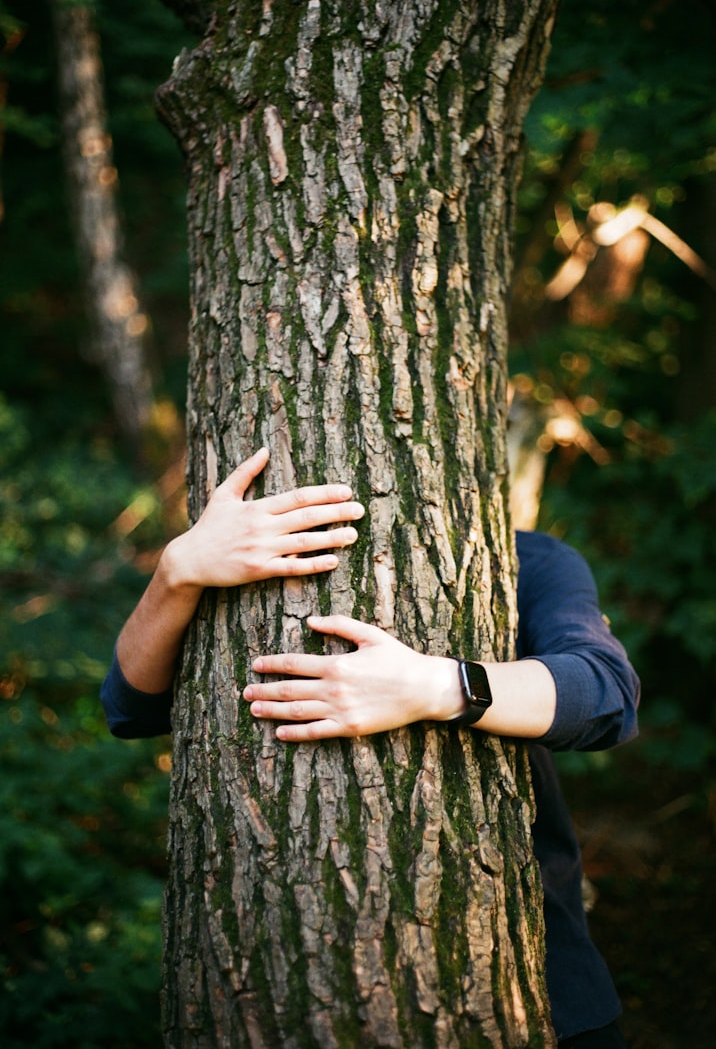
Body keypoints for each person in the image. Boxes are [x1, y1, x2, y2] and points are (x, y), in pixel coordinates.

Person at [101, 449, 639, 1048]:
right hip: (269, 995)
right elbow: (130, 706)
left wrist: (437, 686)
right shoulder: (239, 547)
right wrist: (177, 570)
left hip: (542, 991)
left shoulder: (526, 558)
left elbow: (605, 693)